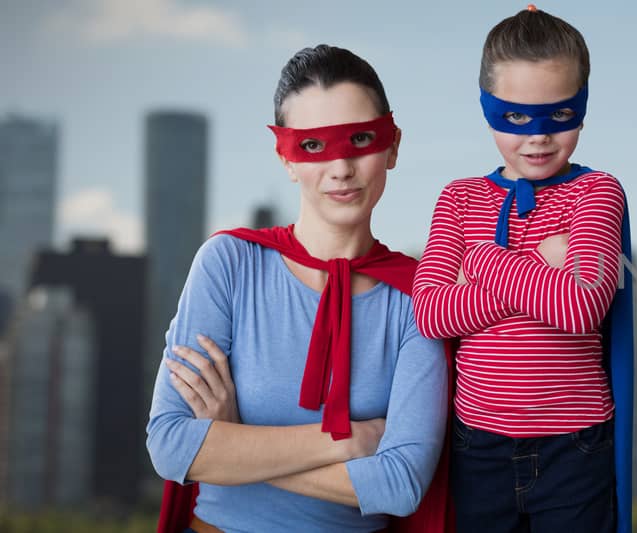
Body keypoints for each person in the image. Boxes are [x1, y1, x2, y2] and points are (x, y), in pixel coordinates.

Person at [146, 44, 449, 532]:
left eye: (361, 139)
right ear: (286, 159)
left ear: (392, 146)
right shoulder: (229, 264)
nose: (341, 169)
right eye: (313, 145)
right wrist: (348, 441)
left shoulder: (420, 297)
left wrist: (237, 440)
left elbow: (399, 485)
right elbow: (171, 445)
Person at [411, 5, 634, 532]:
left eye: (559, 116)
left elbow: (580, 305)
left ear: (582, 106)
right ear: (487, 107)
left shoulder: (596, 192)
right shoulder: (460, 199)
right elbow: (431, 312)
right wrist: (540, 262)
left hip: (575, 448)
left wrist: (482, 262)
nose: (538, 137)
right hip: (477, 447)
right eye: (516, 117)